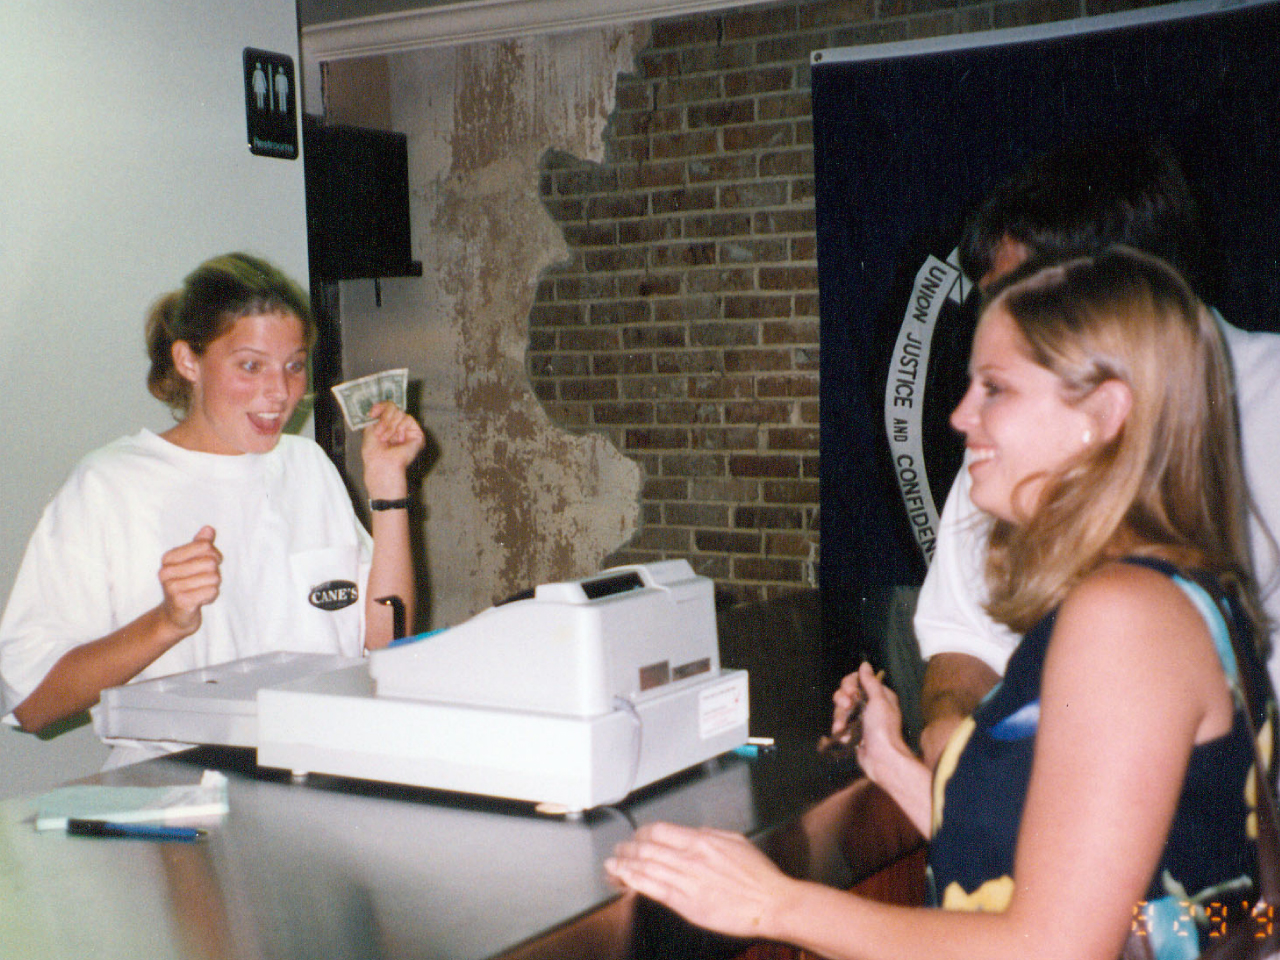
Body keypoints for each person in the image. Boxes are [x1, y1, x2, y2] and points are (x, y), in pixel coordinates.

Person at [606, 248, 1274, 960]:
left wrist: (773, 902)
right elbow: (1073, 870)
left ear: (1103, 414)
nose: (959, 416)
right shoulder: (1168, 593)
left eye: (995, 389)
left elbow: (1055, 948)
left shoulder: (1122, 615)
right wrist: (894, 762)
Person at [914, 140, 1280, 766]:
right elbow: (964, 637)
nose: (962, 417)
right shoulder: (1013, 450)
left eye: (1029, 296)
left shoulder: (1119, 608)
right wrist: (948, 746)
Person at [0, 252, 425, 766]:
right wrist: (167, 621)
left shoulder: (307, 465)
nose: (280, 393)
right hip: (172, 791)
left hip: (317, 764)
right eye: (251, 366)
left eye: (294, 366)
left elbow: (387, 643)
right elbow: (33, 705)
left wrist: (389, 490)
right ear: (188, 361)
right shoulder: (109, 485)